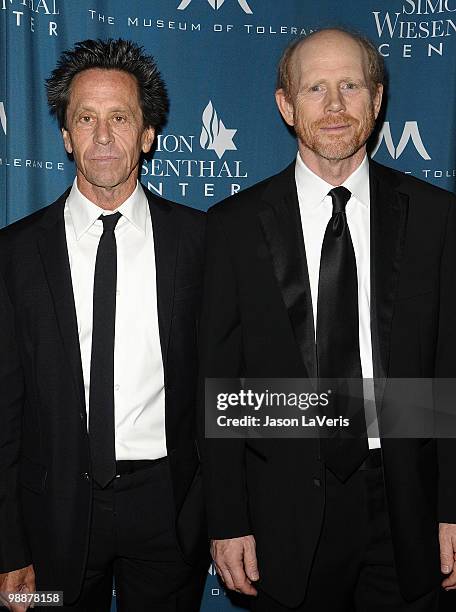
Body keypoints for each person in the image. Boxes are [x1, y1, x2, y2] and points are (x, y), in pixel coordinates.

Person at [199, 28, 456, 611]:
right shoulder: (234, 227)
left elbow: (448, 371)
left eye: (350, 86)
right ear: (286, 105)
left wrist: (451, 508)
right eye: (315, 88)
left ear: (378, 97)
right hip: (282, 513)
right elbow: (219, 382)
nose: (335, 106)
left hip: (406, 509)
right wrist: (229, 518)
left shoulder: (437, 219)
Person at [0, 38, 208, 612]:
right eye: (85, 119)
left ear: (147, 135)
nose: (103, 135)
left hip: (170, 514)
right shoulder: (14, 256)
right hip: (50, 517)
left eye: (120, 117)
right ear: (66, 138)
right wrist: (8, 544)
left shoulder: (201, 244)